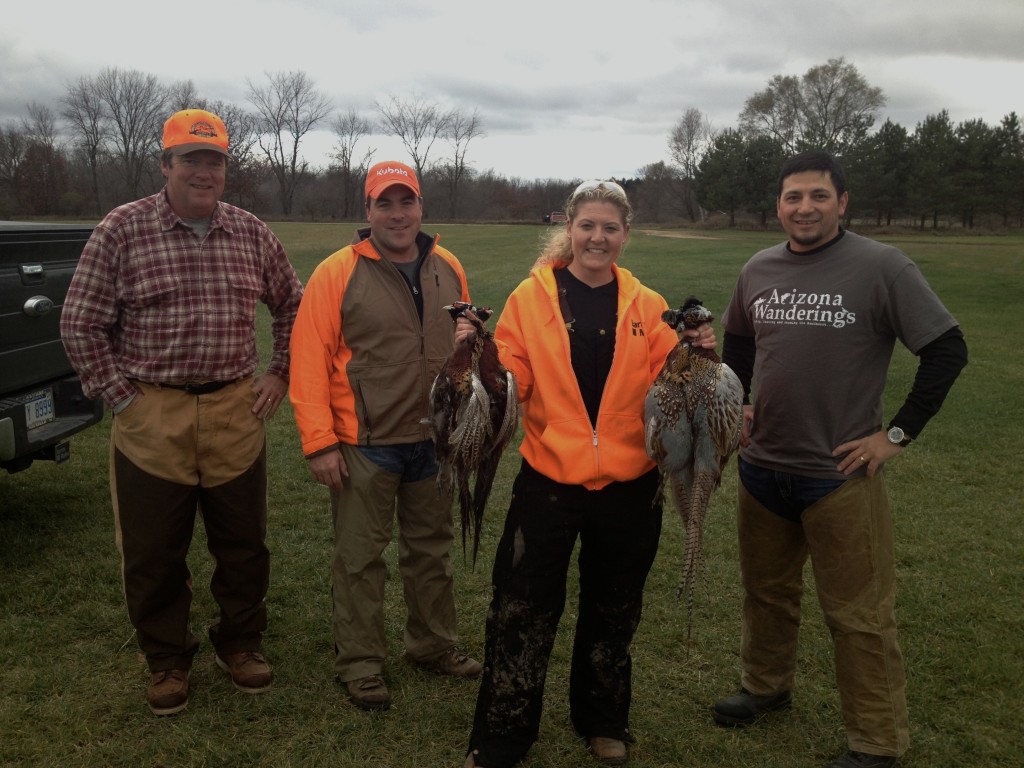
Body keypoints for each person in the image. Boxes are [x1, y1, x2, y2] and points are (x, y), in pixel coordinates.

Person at [713, 151, 968, 768]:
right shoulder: (758, 268)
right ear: (778, 204)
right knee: (766, 593)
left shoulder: (881, 267)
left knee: (859, 615)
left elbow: (946, 349)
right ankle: (766, 686)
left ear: (843, 202)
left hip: (840, 476)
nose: (805, 208)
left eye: (818, 196)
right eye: (793, 196)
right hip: (762, 469)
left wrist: (895, 436)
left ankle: (877, 741)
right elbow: (739, 343)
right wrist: (740, 402)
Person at [463, 180, 716, 767]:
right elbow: (514, 381)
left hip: (630, 485)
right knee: (521, 607)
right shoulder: (531, 299)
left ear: (625, 235)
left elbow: (670, 385)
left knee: (616, 605)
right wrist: (482, 360)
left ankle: (603, 719)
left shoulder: (647, 305)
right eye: (587, 226)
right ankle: (502, 733)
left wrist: (698, 351)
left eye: (609, 228)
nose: (597, 237)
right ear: (569, 228)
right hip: (548, 480)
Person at [60, 108, 304, 715]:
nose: (203, 171)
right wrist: (120, 398)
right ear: (165, 164)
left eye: (214, 161)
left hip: (233, 410)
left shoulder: (250, 232)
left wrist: (279, 371)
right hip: (153, 416)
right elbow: (80, 323)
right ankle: (166, 658)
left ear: (225, 169)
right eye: (190, 159)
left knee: (244, 543)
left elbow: (294, 305)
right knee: (153, 550)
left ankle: (241, 643)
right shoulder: (122, 229)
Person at [288, 160, 482, 712]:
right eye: (384, 203)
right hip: (364, 443)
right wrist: (320, 442)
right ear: (366, 210)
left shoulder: (449, 266)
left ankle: (433, 645)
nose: (397, 214)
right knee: (359, 558)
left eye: (406, 201)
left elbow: (462, 347)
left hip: (434, 440)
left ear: (422, 206)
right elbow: (308, 361)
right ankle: (361, 663)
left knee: (431, 550)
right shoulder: (335, 273)